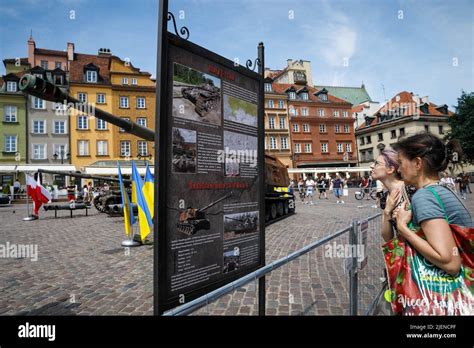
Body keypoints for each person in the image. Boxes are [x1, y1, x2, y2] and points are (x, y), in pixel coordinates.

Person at [393, 133, 472, 277]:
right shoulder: (442, 189)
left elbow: (450, 262)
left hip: (448, 293)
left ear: (417, 163)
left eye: (400, 163)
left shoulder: (424, 196)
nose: (398, 170)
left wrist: (402, 227)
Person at [369, 149, 414, 242]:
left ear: (390, 169)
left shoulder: (411, 190)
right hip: (406, 252)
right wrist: (387, 211)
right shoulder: (385, 197)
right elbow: (387, 237)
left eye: (376, 163)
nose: (371, 166)